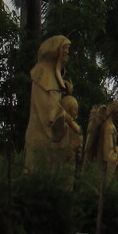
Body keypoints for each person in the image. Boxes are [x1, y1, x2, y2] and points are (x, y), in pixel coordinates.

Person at [24, 36, 73, 169]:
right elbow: (51, 111)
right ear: (56, 51)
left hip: (47, 140)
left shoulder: (51, 78)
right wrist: (71, 123)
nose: (67, 52)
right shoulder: (44, 77)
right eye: (65, 49)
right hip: (40, 138)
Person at [59, 94, 83, 165]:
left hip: (72, 160)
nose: (76, 112)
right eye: (75, 109)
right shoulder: (63, 126)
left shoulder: (75, 127)